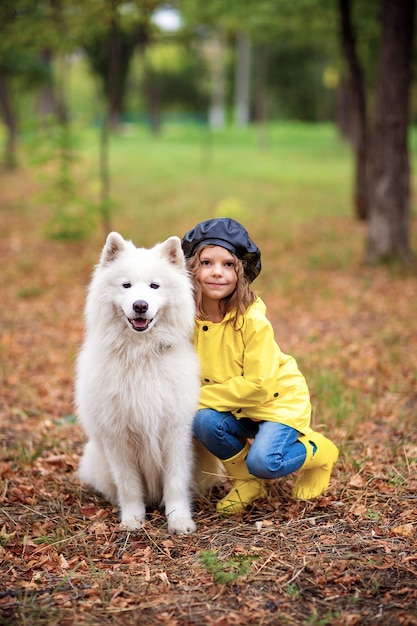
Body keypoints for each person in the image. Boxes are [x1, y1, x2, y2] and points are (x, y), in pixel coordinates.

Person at [181, 217, 339, 514]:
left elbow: (258, 385)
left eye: (228, 264)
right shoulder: (186, 318)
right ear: (193, 268)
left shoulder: (252, 321)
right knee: (203, 422)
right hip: (234, 405)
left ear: (241, 272)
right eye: (207, 263)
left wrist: (192, 399)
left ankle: (319, 452)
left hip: (275, 402)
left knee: (265, 462)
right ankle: (245, 482)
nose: (217, 273)